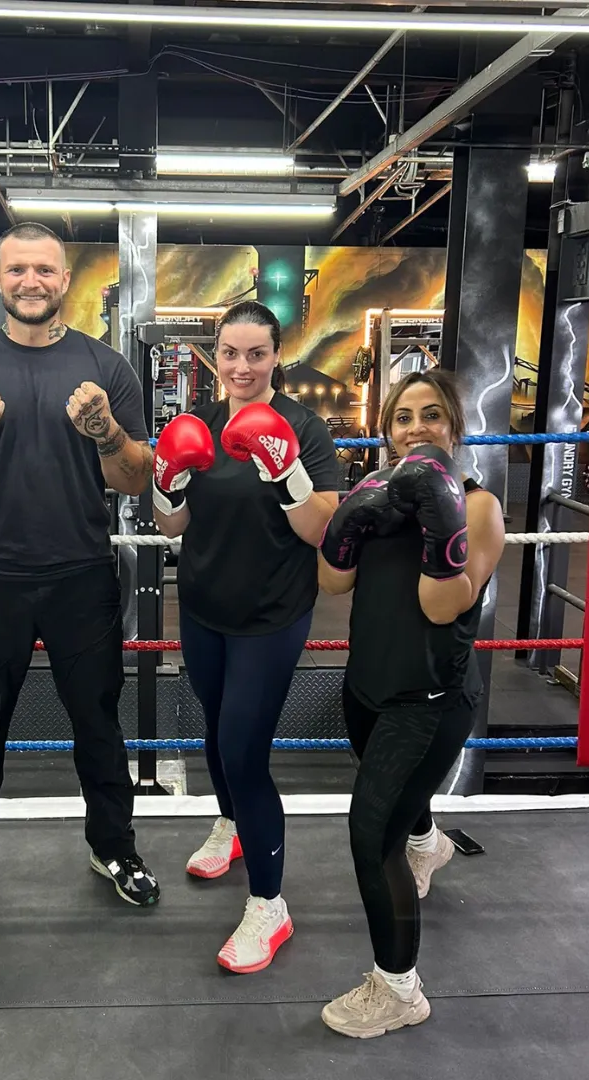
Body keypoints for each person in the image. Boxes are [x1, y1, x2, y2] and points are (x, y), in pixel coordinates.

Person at [0, 222, 160, 917]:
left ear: (65, 280)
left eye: (44, 269)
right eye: (17, 269)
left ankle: (114, 847)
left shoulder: (108, 368)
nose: (31, 282)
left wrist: (107, 431)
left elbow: (136, 479)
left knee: (98, 724)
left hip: (82, 574)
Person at [316, 369, 505, 1038]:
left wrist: (436, 509)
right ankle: (429, 840)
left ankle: (399, 989)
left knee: (373, 837)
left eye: (431, 415)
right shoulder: (375, 494)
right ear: (387, 430)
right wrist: (350, 518)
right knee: (399, 812)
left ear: (454, 428)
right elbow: (332, 582)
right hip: (367, 686)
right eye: (403, 417)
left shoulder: (478, 508)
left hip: (428, 700)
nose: (416, 427)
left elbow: (441, 605)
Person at [152, 301, 339, 972]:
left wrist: (287, 472)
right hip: (205, 609)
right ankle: (230, 825)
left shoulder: (304, 428)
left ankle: (269, 904)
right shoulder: (197, 425)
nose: (242, 366)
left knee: (242, 749)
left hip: (272, 615)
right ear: (215, 356)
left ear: (276, 356)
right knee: (214, 729)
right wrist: (168, 483)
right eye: (230, 353)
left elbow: (322, 529)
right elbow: (171, 528)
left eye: (256, 354)